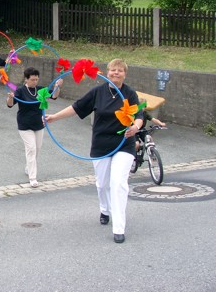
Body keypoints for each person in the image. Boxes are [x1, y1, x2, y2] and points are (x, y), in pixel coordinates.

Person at [44, 59, 143, 244]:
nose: (116, 73)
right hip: (101, 144)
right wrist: (54, 117)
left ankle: (119, 227)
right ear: (107, 73)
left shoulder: (130, 94)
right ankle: (105, 209)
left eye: (120, 71)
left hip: (124, 143)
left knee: (118, 183)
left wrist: (135, 128)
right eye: (113, 70)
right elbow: (77, 108)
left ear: (125, 74)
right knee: (102, 183)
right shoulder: (98, 92)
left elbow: (139, 117)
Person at [7, 67, 62, 187]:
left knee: (37, 149)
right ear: (26, 79)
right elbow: (10, 105)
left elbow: (54, 96)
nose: (35, 82)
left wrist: (58, 87)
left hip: (38, 124)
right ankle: (33, 177)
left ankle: (28, 167)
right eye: (32, 79)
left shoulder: (41, 89)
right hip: (24, 125)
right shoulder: (20, 91)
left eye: (36, 79)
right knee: (31, 149)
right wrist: (10, 97)